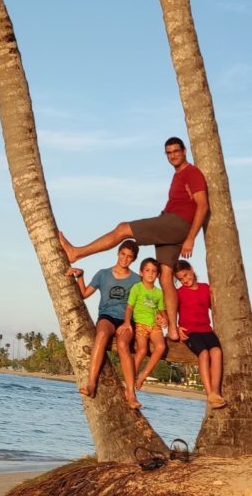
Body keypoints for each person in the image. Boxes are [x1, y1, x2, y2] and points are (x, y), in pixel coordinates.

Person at [60, 137, 207, 342]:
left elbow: (203, 205)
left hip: (175, 224)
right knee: (165, 275)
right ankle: (173, 330)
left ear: (184, 151)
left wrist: (191, 237)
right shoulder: (178, 175)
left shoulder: (192, 173)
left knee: (122, 229)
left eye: (176, 151)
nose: (173, 155)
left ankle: (77, 252)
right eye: (169, 152)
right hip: (173, 226)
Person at [67, 239, 140, 398]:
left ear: (133, 259)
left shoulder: (137, 280)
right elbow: (84, 294)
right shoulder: (103, 274)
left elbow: (142, 304)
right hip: (106, 316)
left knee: (122, 345)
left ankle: (131, 393)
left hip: (126, 320)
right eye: (123, 254)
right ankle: (91, 384)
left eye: (129, 256)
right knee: (101, 335)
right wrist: (80, 276)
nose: (125, 258)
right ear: (118, 253)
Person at [175, 260, 226, 408]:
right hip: (189, 331)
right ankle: (209, 393)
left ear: (191, 270)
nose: (185, 280)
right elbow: (169, 311)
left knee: (216, 352)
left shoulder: (205, 288)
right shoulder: (179, 293)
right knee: (203, 354)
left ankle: (216, 391)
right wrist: (177, 328)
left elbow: (215, 307)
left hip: (206, 329)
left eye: (186, 275)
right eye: (180, 279)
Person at [119, 257, 167, 408]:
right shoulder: (137, 288)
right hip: (139, 324)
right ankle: (129, 385)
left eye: (154, 271)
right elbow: (129, 308)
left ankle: (142, 376)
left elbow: (161, 311)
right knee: (142, 350)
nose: (150, 274)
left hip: (153, 325)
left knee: (160, 347)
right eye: (147, 271)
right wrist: (127, 322)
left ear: (158, 274)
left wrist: (163, 319)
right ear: (141, 272)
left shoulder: (159, 293)